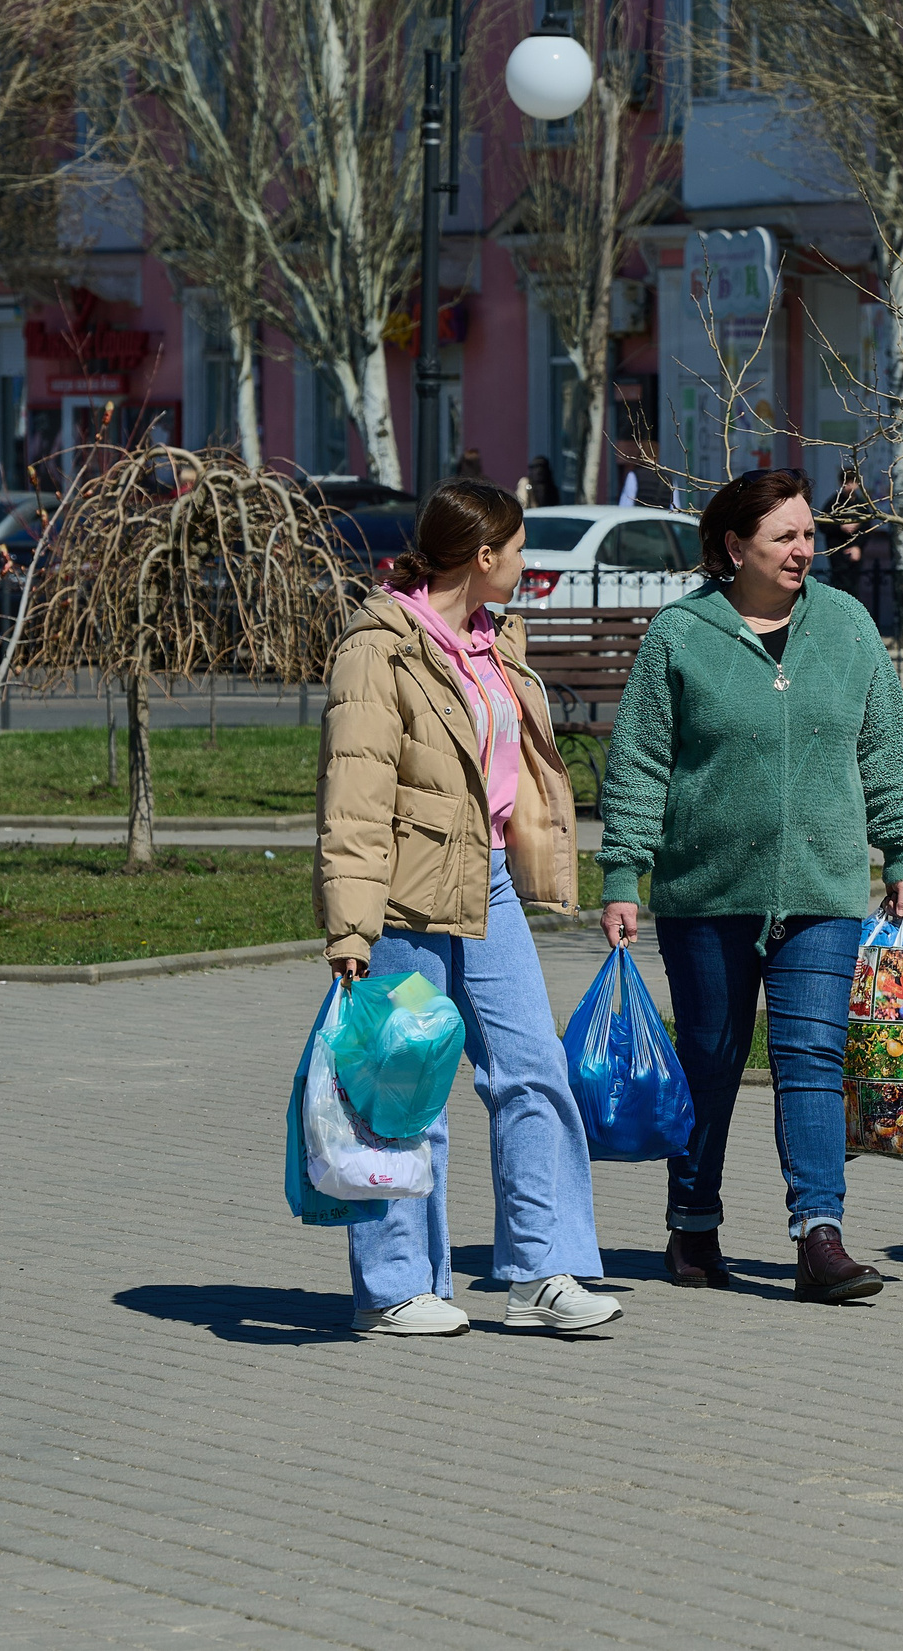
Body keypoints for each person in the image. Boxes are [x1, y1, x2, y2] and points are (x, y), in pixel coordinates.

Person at [596, 467, 903, 1303]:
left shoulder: (847, 625)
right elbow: (639, 761)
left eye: (809, 533)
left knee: (811, 1056)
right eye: (784, 535)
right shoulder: (680, 633)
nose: (803, 548)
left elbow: (884, 747)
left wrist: (901, 855)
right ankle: (692, 1222)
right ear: (733, 546)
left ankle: (819, 1234)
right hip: (707, 888)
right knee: (709, 1056)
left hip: (822, 885)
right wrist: (622, 871)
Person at [314, 476, 619, 1338]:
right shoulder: (380, 649)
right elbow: (354, 797)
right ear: (482, 557)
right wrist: (350, 924)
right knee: (402, 1093)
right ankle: (395, 1286)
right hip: (404, 896)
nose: (527, 564)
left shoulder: (494, 641)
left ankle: (541, 1271)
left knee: (535, 1070)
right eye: (518, 550)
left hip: (484, 883)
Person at [823, 466, 896, 635]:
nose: (850, 486)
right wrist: (840, 527)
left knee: (854, 587)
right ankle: (838, 625)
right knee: (839, 586)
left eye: (853, 482)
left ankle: (853, 626)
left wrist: (858, 546)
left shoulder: (861, 504)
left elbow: (867, 527)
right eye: (847, 482)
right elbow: (822, 525)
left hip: (855, 552)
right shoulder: (833, 503)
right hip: (837, 552)